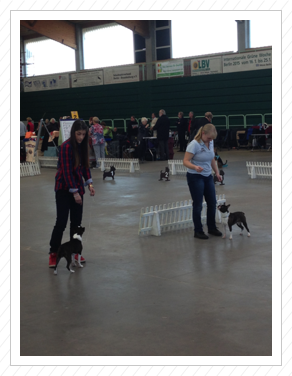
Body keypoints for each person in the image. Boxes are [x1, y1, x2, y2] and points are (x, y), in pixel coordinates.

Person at [48, 119, 95, 268]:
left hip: (77, 188)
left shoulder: (83, 146)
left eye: (83, 134)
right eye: (78, 134)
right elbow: (68, 172)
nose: (80, 137)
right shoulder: (65, 147)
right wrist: (75, 193)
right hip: (63, 189)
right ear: (73, 132)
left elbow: (85, 167)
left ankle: (75, 252)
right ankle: (54, 252)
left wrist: (89, 183)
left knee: (76, 224)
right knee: (61, 222)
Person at [183, 123, 222, 240]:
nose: (211, 140)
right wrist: (195, 167)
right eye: (209, 138)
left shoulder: (210, 142)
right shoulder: (194, 145)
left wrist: (217, 172)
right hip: (195, 177)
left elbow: (212, 159)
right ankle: (198, 230)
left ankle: (212, 227)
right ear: (203, 133)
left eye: (212, 139)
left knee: (212, 203)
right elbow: (185, 161)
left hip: (207, 176)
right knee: (198, 205)